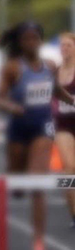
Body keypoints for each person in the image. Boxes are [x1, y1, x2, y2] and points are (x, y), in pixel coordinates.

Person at [0, 21, 75, 250]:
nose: (31, 43)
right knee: (18, 183)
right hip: (19, 129)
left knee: (37, 181)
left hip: (43, 127)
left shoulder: (49, 66)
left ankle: (38, 239)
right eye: (26, 39)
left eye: (35, 39)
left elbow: (57, 91)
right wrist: (13, 107)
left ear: (40, 41)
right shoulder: (12, 68)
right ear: (20, 43)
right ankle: (18, 182)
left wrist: (72, 101)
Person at [53, 32, 75, 227]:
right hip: (63, 124)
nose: (64, 49)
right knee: (68, 169)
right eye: (62, 46)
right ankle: (73, 214)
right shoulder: (55, 72)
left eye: (68, 45)